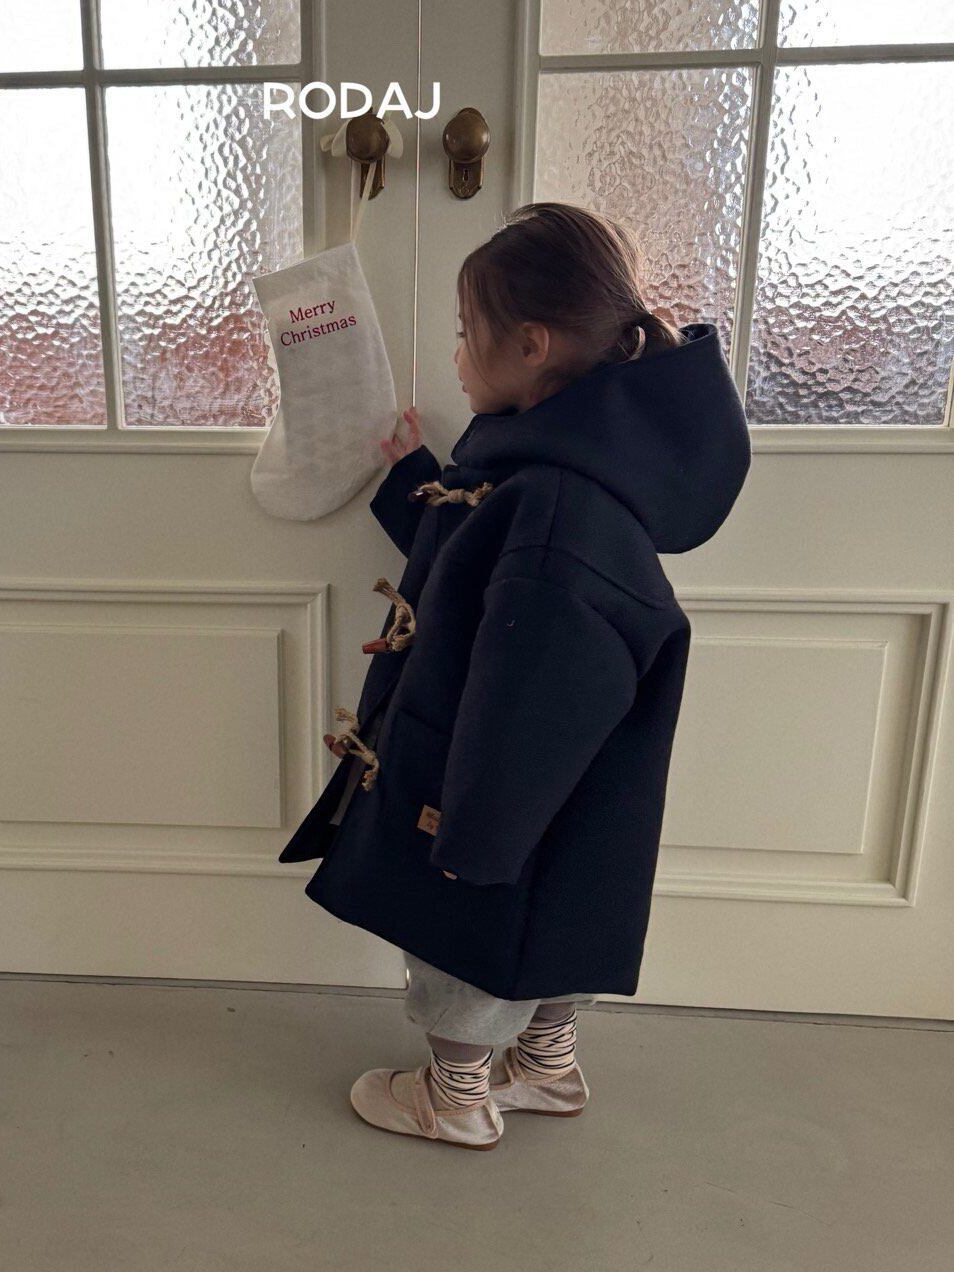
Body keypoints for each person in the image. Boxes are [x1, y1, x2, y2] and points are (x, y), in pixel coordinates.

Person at [276, 202, 751, 1150]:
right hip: (564, 804)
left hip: (500, 797)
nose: (456, 356)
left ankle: (455, 1096)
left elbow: (533, 695)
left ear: (532, 345)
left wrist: (477, 833)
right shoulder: (566, 475)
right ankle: (546, 1066)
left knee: (466, 937)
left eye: (465, 333)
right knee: (555, 922)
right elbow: (476, 555)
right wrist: (409, 476)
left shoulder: (558, 511)